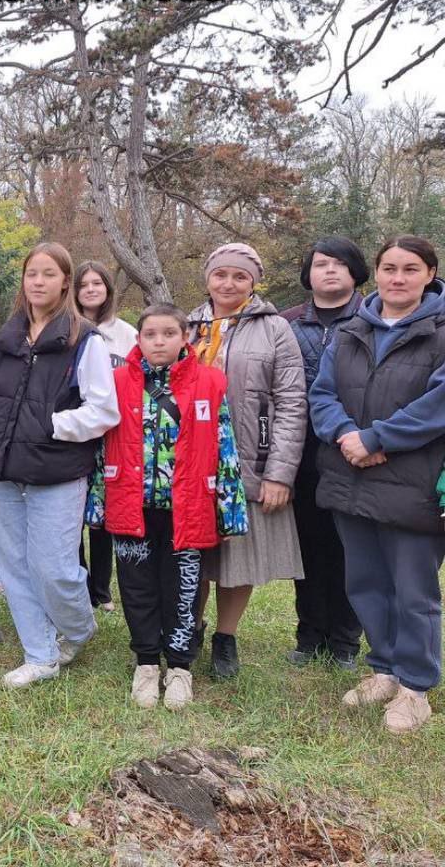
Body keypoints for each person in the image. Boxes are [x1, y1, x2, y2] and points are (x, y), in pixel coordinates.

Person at [310, 235, 445, 735]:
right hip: (351, 475)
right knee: (365, 582)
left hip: (413, 480)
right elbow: (321, 394)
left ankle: (415, 686)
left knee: (413, 590)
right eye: (389, 267)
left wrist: (377, 437)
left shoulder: (440, 331)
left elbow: (437, 405)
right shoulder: (350, 330)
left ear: (429, 274)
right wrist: (347, 435)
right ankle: (384, 668)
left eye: (410, 269)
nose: (398, 278)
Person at [0, 242, 120, 689]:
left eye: (47, 274)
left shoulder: (83, 341)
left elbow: (103, 410)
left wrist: (51, 426)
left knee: (54, 567)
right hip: (5, 469)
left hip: (56, 471)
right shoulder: (8, 338)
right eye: (31, 273)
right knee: (15, 565)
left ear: (65, 282)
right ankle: (39, 654)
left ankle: (77, 628)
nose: (37, 281)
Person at [87, 304, 247, 710]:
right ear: (138, 340)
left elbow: (224, 445)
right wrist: (97, 504)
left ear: (184, 338)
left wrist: (231, 507)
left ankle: (179, 666)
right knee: (137, 587)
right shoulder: (117, 381)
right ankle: (145, 662)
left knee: (184, 589)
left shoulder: (209, 382)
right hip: (130, 503)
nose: (159, 341)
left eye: (168, 334)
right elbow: (101, 448)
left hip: (188, 507)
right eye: (150, 334)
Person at [188, 243, 306, 679]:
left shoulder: (275, 328)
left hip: (248, 457)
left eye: (240, 276)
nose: (229, 283)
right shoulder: (189, 326)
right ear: (208, 278)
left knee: (239, 554)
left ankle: (226, 637)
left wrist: (279, 472)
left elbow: (293, 402)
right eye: (221, 275)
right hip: (194, 461)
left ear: (254, 281)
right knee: (194, 549)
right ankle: (190, 626)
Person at [280, 236, 368, 670]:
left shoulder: (373, 319)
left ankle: (346, 641)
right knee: (309, 545)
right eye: (320, 264)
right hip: (302, 451)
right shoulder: (287, 323)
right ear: (308, 273)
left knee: (350, 547)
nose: (329, 270)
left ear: (355, 271)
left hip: (356, 449)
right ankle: (309, 634)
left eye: (339, 263)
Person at [73, 260, 137, 612]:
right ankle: (79, 582)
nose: (92, 290)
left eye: (98, 283)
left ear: (108, 290)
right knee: (75, 509)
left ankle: (101, 589)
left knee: (103, 513)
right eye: (85, 285)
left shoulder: (125, 334)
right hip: (77, 432)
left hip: (113, 434)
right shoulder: (67, 330)